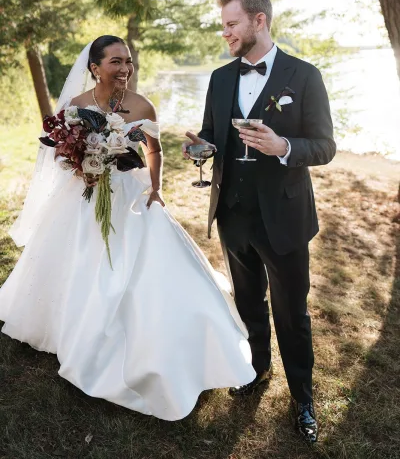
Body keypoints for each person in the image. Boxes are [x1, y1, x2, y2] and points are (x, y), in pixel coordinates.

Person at [0, 35, 256, 421]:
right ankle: (76, 328)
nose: (125, 68)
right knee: (82, 259)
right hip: (85, 193)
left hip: (131, 193)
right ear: (95, 67)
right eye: (116, 61)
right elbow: (59, 151)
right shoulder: (76, 106)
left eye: (129, 61)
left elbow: (154, 150)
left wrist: (156, 189)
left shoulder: (141, 104)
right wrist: (82, 164)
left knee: (145, 265)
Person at [183, 0, 336, 442]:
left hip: (284, 219)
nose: (225, 33)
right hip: (233, 214)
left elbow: (326, 146)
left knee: (292, 314)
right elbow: (214, 133)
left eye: (231, 24)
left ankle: (303, 398)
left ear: (259, 21)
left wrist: (284, 146)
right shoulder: (219, 77)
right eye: (223, 25)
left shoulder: (304, 76)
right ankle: (256, 369)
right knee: (249, 303)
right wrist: (202, 147)